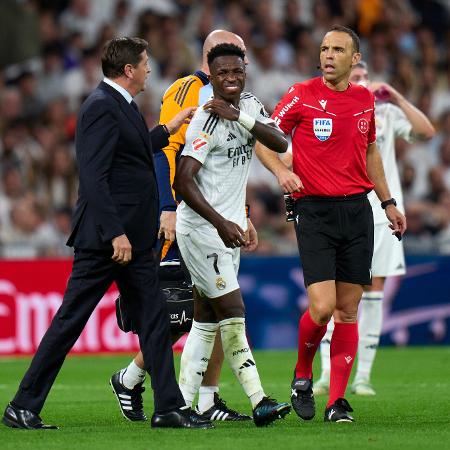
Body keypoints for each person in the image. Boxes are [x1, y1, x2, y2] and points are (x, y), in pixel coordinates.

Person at [2, 37, 211, 430]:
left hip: (132, 241)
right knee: (69, 322)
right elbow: (94, 178)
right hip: (106, 242)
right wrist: (115, 233)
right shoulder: (100, 107)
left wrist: (169, 128)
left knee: (154, 318)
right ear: (129, 70)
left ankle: (168, 407)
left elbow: (131, 153)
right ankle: (22, 406)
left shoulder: (120, 104)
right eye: (145, 63)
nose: (150, 69)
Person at [255, 25, 407, 423]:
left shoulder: (362, 100)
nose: (328, 55)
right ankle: (303, 373)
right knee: (321, 309)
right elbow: (264, 137)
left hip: (358, 211)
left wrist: (388, 201)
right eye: (324, 48)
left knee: (349, 310)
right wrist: (280, 173)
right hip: (315, 211)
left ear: (354, 58)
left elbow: (370, 150)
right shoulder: (301, 94)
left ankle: (336, 401)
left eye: (338, 49)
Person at [110, 30, 252, 423]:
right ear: (210, 57)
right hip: (187, 214)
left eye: (240, 55)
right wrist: (167, 206)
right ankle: (133, 376)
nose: (239, 61)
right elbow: (164, 148)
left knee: (215, 305)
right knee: (182, 308)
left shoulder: (236, 99)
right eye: (232, 53)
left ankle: (206, 399)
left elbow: (229, 167)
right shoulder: (188, 87)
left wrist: (244, 212)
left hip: (221, 218)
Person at [174, 42, 291, 427]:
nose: (230, 79)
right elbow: (184, 181)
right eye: (222, 72)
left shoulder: (251, 105)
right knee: (234, 311)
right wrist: (220, 223)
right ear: (211, 73)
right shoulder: (205, 120)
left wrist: (239, 117)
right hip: (203, 230)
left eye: (236, 71)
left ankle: (184, 405)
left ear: (245, 70)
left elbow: (281, 142)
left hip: (230, 231)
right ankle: (260, 400)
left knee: (206, 320)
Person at [314, 61, 435, 397]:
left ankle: (363, 376)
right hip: (344, 211)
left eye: (366, 77)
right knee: (337, 296)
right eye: (356, 78)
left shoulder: (385, 113)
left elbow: (427, 132)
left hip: (382, 216)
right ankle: (327, 372)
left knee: (374, 294)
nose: (364, 82)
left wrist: (396, 96)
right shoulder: (330, 111)